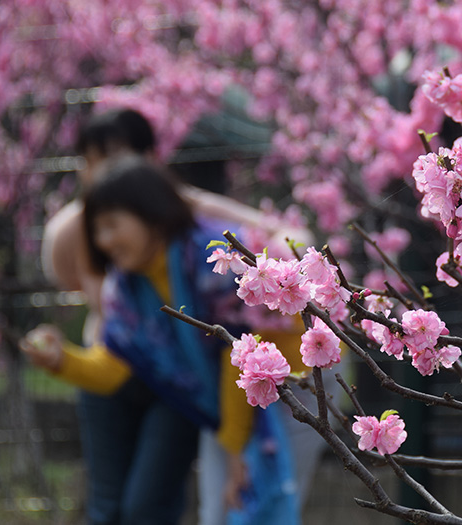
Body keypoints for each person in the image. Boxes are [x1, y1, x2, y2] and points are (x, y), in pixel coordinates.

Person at [30, 108, 321, 523]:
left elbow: (236, 354)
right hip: (237, 396)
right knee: (221, 511)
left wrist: (238, 450)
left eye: (113, 225)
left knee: (255, 506)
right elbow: (114, 367)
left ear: (149, 211)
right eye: (98, 229)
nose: (104, 240)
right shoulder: (128, 287)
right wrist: (61, 360)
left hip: (293, 384)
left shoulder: (207, 258)